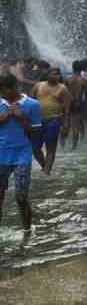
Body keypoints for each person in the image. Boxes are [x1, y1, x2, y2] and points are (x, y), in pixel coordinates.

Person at [0, 72, 41, 233]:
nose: (1, 94)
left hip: (21, 155)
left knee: (21, 197)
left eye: (3, 90)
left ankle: (27, 230)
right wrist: (5, 116)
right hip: (1, 155)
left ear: (13, 87)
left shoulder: (32, 104)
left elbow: (36, 134)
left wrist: (22, 118)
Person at [30, 68, 70, 174]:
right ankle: (44, 166)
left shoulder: (63, 88)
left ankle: (47, 172)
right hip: (37, 121)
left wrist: (65, 125)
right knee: (35, 148)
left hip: (54, 120)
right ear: (48, 75)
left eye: (58, 74)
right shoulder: (38, 86)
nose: (57, 76)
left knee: (51, 148)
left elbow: (67, 109)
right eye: (54, 74)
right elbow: (29, 102)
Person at [63, 60, 87, 150]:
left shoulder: (67, 79)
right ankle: (74, 147)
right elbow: (86, 95)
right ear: (81, 69)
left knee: (65, 124)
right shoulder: (84, 80)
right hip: (78, 104)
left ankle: (62, 145)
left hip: (68, 104)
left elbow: (64, 93)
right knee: (76, 127)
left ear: (73, 68)